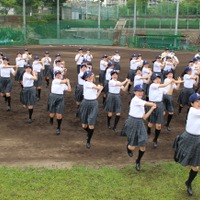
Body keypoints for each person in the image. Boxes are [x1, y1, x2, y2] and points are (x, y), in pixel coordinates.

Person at [121, 84, 156, 171]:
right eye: (139, 91)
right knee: (132, 147)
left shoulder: (141, 102)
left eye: (142, 91)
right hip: (132, 122)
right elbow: (147, 103)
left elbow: (144, 117)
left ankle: (138, 161)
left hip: (140, 123)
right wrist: (153, 104)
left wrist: (152, 109)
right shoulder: (135, 100)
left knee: (143, 144)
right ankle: (128, 147)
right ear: (135, 92)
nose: (140, 93)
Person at [173, 93, 200, 196]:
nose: (199, 103)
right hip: (188, 137)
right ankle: (178, 145)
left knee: (196, 166)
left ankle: (188, 183)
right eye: (197, 101)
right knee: (180, 157)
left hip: (198, 139)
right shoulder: (193, 111)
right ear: (192, 103)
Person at [147, 73, 173, 148]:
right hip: (152, 104)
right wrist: (170, 81)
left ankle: (155, 139)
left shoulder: (161, 87)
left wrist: (171, 85)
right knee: (151, 123)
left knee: (158, 125)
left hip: (160, 104)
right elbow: (164, 85)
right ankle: (148, 131)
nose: (158, 80)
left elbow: (169, 93)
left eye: (159, 78)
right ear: (153, 80)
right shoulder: (153, 85)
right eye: (156, 79)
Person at [79, 70, 103, 149]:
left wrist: (100, 90)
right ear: (86, 78)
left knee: (91, 124)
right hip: (85, 103)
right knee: (84, 125)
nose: (90, 77)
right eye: (88, 76)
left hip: (94, 103)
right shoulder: (86, 83)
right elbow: (96, 87)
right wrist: (99, 87)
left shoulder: (92, 84)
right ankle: (89, 133)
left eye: (91, 75)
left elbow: (96, 96)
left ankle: (88, 141)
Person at [47, 70, 71, 135]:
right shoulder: (55, 80)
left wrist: (68, 82)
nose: (58, 76)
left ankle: (58, 128)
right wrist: (67, 80)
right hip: (53, 97)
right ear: (55, 76)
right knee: (52, 114)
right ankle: (51, 118)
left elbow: (69, 89)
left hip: (60, 98)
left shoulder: (63, 83)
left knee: (59, 115)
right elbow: (63, 81)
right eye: (57, 75)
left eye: (59, 74)